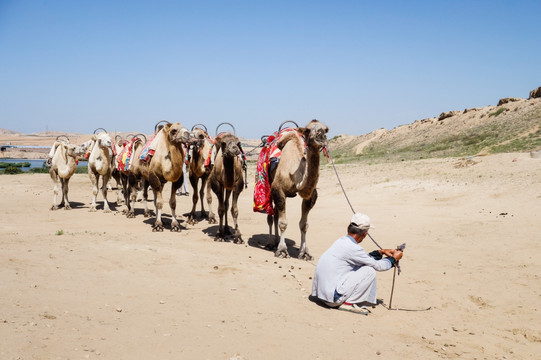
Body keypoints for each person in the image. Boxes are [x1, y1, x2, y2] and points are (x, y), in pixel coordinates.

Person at [311, 213, 403, 314]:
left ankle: (345, 299)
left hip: (322, 295)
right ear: (365, 234)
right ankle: (348, 304)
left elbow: (361, 259)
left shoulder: (341, 241)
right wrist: (394, 259)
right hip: (332, 299)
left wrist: (380, 252)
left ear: (348, 228)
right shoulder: (354, 248)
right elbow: (379, 266)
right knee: (369, 271)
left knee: (363, 266)